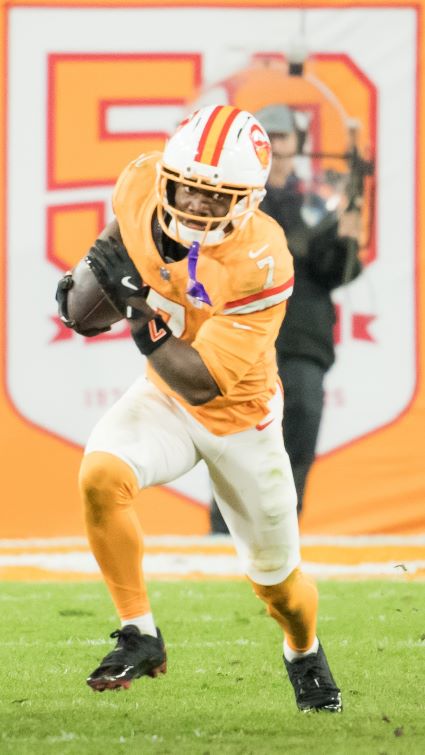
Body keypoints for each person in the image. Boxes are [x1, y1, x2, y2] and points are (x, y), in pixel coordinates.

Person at [56, 104, 341, 712]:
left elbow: (203, 382)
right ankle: (140, 633)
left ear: (249, 200)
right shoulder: (140, 182)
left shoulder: (264, 258)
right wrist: (92, 280)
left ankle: (304, 652)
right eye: (189, 187)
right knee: (101, 476)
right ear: (168, 176)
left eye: (218, 195)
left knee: (280, 589)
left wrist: (137, 311)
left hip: (239, 417)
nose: (197, 203)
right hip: (164, 398)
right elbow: (116, 245)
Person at [256, 104, 362, 516]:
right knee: (240, 436)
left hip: (302, 336)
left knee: (300, 424)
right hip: (248, 337)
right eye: (268, 138)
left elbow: (336, 271)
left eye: (282, 137)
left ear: (298, 143)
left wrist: (347, 234)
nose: (276, 146)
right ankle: (223, 531)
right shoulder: (240, 203)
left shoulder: (317, 203)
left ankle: (286, 525)